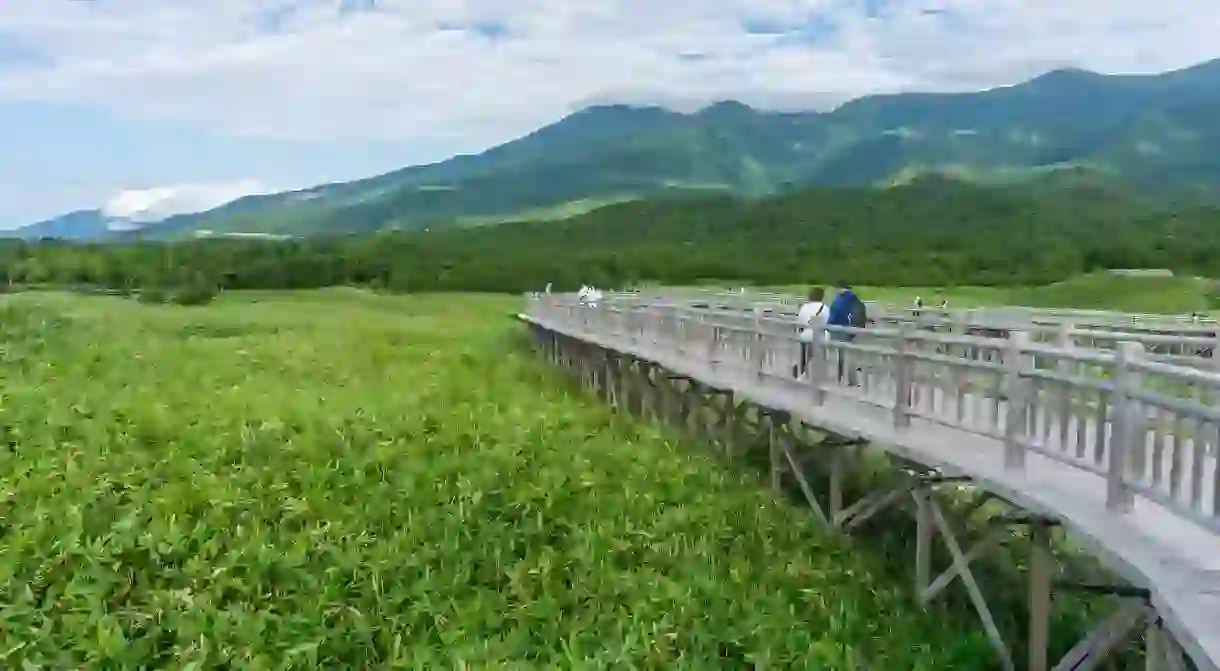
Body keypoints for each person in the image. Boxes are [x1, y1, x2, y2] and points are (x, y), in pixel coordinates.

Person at [827, 285, 867, 384]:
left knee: (839, 355)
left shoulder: (838, 301)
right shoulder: (856, 300)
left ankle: (839, 377)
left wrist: (828, 326)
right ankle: (852, 379)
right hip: (855, 330)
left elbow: (834, 315)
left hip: (839, 330)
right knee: (851, 356)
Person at [792, 286, 827, 378]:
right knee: (816, 356)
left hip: (805, 334)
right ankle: (816, 375)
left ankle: (801, 370)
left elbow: (800, 320)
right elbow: (827, 322)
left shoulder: (804, 307)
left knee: (804, 354)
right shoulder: (825, 308)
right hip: (820, 336)